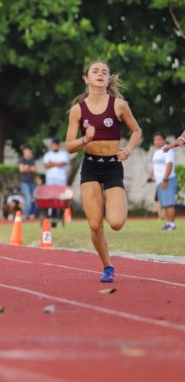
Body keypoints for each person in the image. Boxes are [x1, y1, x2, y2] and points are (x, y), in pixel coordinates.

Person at [66, 60, 141, 283]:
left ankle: (113, 198)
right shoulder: (77, 110)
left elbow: (136, 130)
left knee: (116, 223)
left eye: (104, 72)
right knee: (95, 224)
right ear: (86, 79)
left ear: (108, 79)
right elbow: (69, 146)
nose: (100, 74)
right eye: (95, 71)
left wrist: (127, 149)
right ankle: (107, 266)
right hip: (90, 166)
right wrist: (85, 139)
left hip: (112, 167)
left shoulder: (119, 105)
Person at [148, 132, 177, 230]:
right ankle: (168, 223)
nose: (157, 142)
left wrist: (165, 179)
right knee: (164, 204)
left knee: (169, 203)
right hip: (160, 181)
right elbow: (155, 166)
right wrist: (151, 176)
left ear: (164, 140)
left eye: (159, 139)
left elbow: (169, 165)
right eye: (155, 140)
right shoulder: (156, 152)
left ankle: (172, 224)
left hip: (167, 180)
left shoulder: (167, 150)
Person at [18, 146, 38, 219]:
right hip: (24, 182)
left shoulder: (32, 159)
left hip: (32, 182)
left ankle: (32, 213)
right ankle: (25, 214)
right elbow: (21, 169)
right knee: (28, 198)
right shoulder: (21, 159)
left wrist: (27, 168)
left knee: (34, 198)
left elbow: (35, 169)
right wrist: (29, 168)